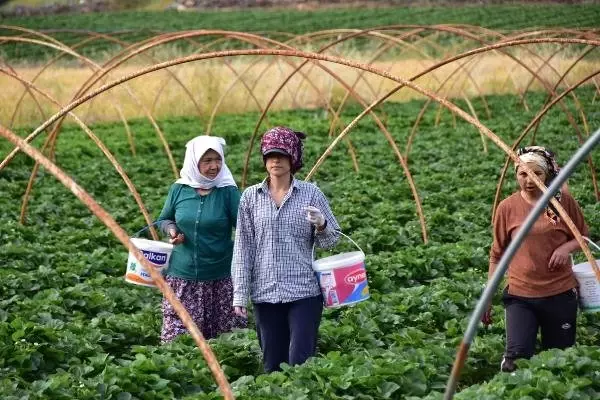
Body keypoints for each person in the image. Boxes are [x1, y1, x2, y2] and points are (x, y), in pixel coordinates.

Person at [231, 126, 340, 373]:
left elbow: (331, 241)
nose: (275, 160)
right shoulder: (251, 197)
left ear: (293, 159)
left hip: (304, 291)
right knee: (272, 364)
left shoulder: (311, 193)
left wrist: (322, 225)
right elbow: (242, 249)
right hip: (265, 292)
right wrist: (239, 294)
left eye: (281, 155)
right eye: (270, 155)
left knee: (302, 363)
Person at [484, 146, 589, 372]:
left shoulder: (562, 202)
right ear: (516, 175)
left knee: (560, 359)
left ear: (547, 174)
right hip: (521, 295)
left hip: (559, 293)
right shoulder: (507, 208)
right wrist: (487, 297)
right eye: (522, 174)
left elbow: (582, 236)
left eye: (536, 174)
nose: (529, 180)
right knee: (516, 358)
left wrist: (566, 249)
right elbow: (497, 254)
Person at [157, 135, 246, 343]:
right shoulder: (179, 189)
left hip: (220, 280)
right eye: (207, 161)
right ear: (194, 161)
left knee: (224, 343)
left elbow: (245, 228)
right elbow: (164, 218)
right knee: (178, 342)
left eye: (218, 159)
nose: (214, 166)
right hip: (182, 279)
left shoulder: (227, 192)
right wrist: (171, 230)